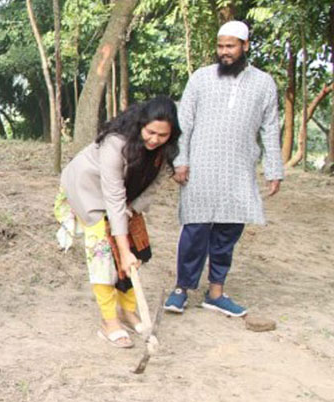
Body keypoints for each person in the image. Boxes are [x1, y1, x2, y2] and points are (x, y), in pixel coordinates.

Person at [165, 20, 283, 317]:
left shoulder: (264, 83)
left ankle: (216, 292)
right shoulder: (200, 79)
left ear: (245, 46)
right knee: (195, 229)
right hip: (200, 169)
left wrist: (274, 169)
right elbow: (184, 123)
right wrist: (180, 160)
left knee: (228, 232)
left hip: (238, 170)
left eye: (230, 46)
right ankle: (181, 288)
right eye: (220, 46)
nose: (224, 52)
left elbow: (270, 128)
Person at [55, 97, 181, 348]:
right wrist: (121, 250)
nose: (155, 140)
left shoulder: (165, 150)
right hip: (88, 191)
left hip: (125, 198)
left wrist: (131, 213)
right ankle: (109, 320)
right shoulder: (116, 143)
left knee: (135, 251)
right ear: (140, 125)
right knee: (104, 253)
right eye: (150, 132)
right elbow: (113, 198)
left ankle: (128, 310)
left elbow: (154, 185)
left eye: (162, 135)